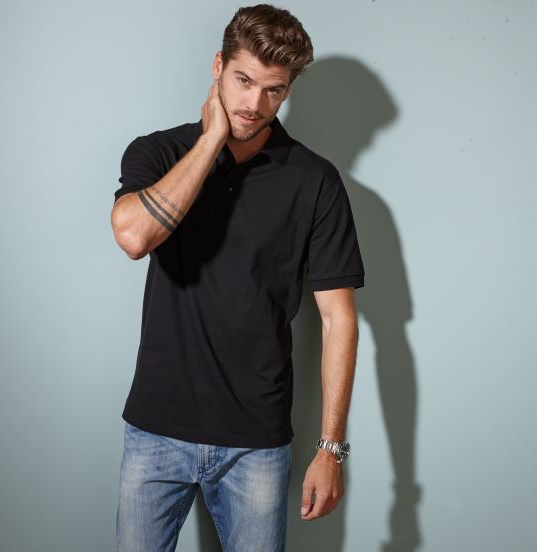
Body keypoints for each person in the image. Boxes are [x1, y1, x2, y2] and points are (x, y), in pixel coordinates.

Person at [109, 4, 364, 551]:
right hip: (156, 429)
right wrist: (211, 141)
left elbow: (338, 319)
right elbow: (133, 237)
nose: (254, 104)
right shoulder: (159, 152)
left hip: (256, 443)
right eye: (243, 81)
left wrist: (331, 448)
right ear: (218, 67)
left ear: (289, 89)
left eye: (274, 90)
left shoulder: (316, 182)